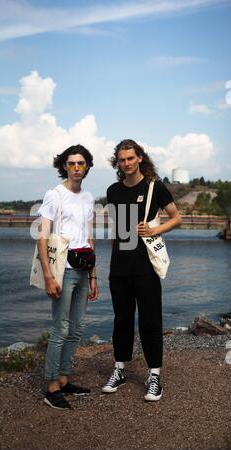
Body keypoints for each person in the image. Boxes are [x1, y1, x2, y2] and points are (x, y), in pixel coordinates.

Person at [102, 139, 181, 401]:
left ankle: (155, 375)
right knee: (121, 320)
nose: (126, 163)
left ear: (139, 158)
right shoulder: (113, 190)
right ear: (118, 162)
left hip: (145, 266)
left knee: (150, 321)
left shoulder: (154, 187)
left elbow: (176, 218)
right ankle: (119, 369)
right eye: (121, 159)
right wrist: (111, 264)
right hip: (120, 267)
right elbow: (117, 230)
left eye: (130, 158)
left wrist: (154, 229)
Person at [37, 144, 98, 410]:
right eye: (71, 163)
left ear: (87, 167)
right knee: (60, 328)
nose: (76, 168)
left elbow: (89, 236)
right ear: (64, 166)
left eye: (81, 163)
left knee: (77, 329)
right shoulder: (54, 195)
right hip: (63, 269)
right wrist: (49, 277)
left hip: (84, 269)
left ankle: (63, 378)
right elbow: (42, 237)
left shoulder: (88, 197)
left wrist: (94, 276)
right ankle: (51, 386)